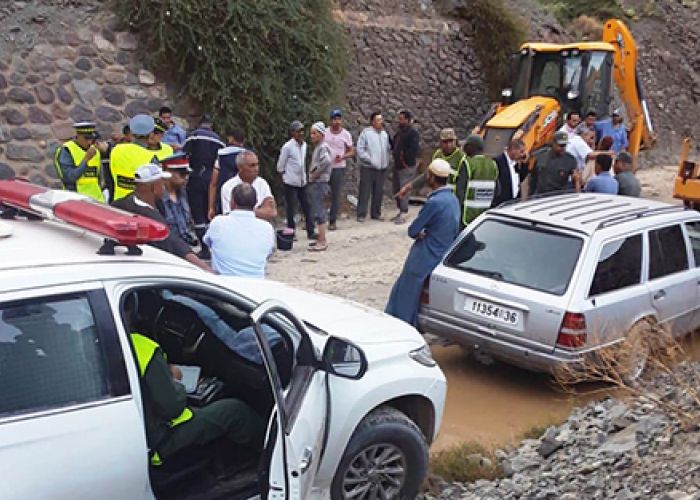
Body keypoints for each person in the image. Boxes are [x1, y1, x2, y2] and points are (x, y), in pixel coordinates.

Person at [124, 294, 264, 465]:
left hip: (132, 434)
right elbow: (172, 408)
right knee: (234, 411)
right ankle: (270, 455)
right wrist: (174, 380)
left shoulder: (91, 342)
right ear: (131, 309)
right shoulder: (142, 348)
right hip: (158, 441)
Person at [385, 159, 459, 327]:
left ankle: (400, 326)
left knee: (405, 293)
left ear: (431, 177)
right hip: (442, 252)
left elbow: (413, 230)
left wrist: (421, 232)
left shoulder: (434, 202)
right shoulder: (453, 200)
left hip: (425, 254)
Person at [111, 163, 211, 272]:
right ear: (154, 188)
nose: (164, 187)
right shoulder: (153, 220)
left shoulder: (122, 203)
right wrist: (207, 270)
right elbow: (175, 244)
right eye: (162, 183)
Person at [204, 183, 275, 277]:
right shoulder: (267, 228)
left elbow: (208, 242)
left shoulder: (218, 223)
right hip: (256, 285)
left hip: (223, 286)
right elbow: (268, 253)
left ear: (232, 202)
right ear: (256, 202)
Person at [183, 115, 225, 259]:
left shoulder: (193, 137)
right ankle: (215, 247)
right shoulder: (219, 140)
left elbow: (184, 155)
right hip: (212, 178)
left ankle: (204, 248)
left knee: (198, 214)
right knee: (210, 212)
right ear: (211, 125)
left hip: (195, 177)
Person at [277, 120, 315, 239]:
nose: (301, 134)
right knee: (291, 208)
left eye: (302, 131)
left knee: (307, 206)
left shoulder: (304, 145)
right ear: (292, 133)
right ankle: (291, 231)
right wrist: (284, 177)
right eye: (298, 131)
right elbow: (280, 165)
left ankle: (310, 231)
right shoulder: (287, 147)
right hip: (290, 181)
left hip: (302, 181)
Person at [53, 121, 108, 203]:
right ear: (78, 136)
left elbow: (99, 178)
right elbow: (69, 178)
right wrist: (86, 159)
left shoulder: (95, 149)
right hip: (77, 200)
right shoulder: (67, 150)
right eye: (86, 138)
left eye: (91, 138)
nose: (89, 142)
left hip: (97, 200)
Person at [110, 114, 160, 201]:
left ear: (132, 132)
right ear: (151, 134)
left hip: (118, 202)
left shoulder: (116, 149)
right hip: (140, 204)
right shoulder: (151, 157)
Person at [454, 135, 498, 229]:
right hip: (484, 217)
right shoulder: (492, 164)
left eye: (466, 146)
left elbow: (460, 191)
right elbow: (498, 190)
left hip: (466, 216)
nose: (464, 148)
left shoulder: (468, 163)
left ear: (472, 147)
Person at [221, 151, 277, 222]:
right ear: (240, 168)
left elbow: (271, 212)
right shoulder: (228, 187)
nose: (256, 169)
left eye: (257, 165)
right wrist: (260, 210)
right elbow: (228, 216)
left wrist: (242, 212)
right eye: (252, 165)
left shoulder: (262, 184)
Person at [356, 111, 391, 221]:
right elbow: (360, 149)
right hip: (368, 167)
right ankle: (361, 214)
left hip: (381, 168)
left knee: (378, 192)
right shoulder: (366, 133)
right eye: (378, 120)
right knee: (365, 191)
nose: (381, 122)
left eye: (382, 120)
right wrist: (370, 159)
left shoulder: (385, 134)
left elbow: (387, 148)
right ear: (372, 122)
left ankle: (376, 213)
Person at [324, 108, 354, 231]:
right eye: (334, 119)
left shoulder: (346, 134)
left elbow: (352, 151)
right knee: (321, 193)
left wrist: (343, 156)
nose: (336, 122)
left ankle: (332, 221)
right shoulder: (325, 133)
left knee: (335, 195)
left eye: (338, 119)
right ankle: (318, 218)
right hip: (324, 167)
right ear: (330, 121)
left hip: (338, 168)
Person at [159, 152, 197, 247]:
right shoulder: (158, 198)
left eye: (187, 174)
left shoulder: (184, 194)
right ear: (167, 172)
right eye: (182, 174)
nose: (186, 178)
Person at [208, 129, 246, 220]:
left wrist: (211, 207)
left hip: (223, 198)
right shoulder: (248, 156)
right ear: (244, 141)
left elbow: (213, 183)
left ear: (231, 139)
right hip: (245, 198)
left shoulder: (221, 155)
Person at [390, 110, 420, 225]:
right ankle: (400, 210)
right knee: (396, 188)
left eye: (401, 118)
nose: (399, 120)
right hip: (397, 166)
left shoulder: (413, 133)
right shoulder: (399, 132)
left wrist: (404, 159)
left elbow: (413, 149)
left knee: (404, 189)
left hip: (406, 166)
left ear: (407, 120)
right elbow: (394, 145)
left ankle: (404, 212)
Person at [307, 122, 333, 251]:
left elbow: (327, 161)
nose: (311, 136)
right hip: (318, 182)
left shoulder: (323, 147)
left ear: (321, 134)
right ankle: (320, 238)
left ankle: (322, 240)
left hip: (319, 183)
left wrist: (315, 173)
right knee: (317, 210)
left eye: (314, 133)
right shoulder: (319, 147)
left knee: (319, 211)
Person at [529, 131, 580, 195]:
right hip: (541, 195)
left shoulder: (570, 159)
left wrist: (577, 180)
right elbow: (533, 179)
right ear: (553, 143)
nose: (563, 148)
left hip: (559, 196)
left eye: (565, 145)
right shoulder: (540, 156)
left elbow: (576, 181)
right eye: (561, 145)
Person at [491, 139, 527, 207]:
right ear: (513, 150)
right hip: (501, 204)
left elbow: (522, 179)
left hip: (513, 203)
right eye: (521, 152)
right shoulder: (498, 162)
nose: (523, 155)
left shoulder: (518, 163)